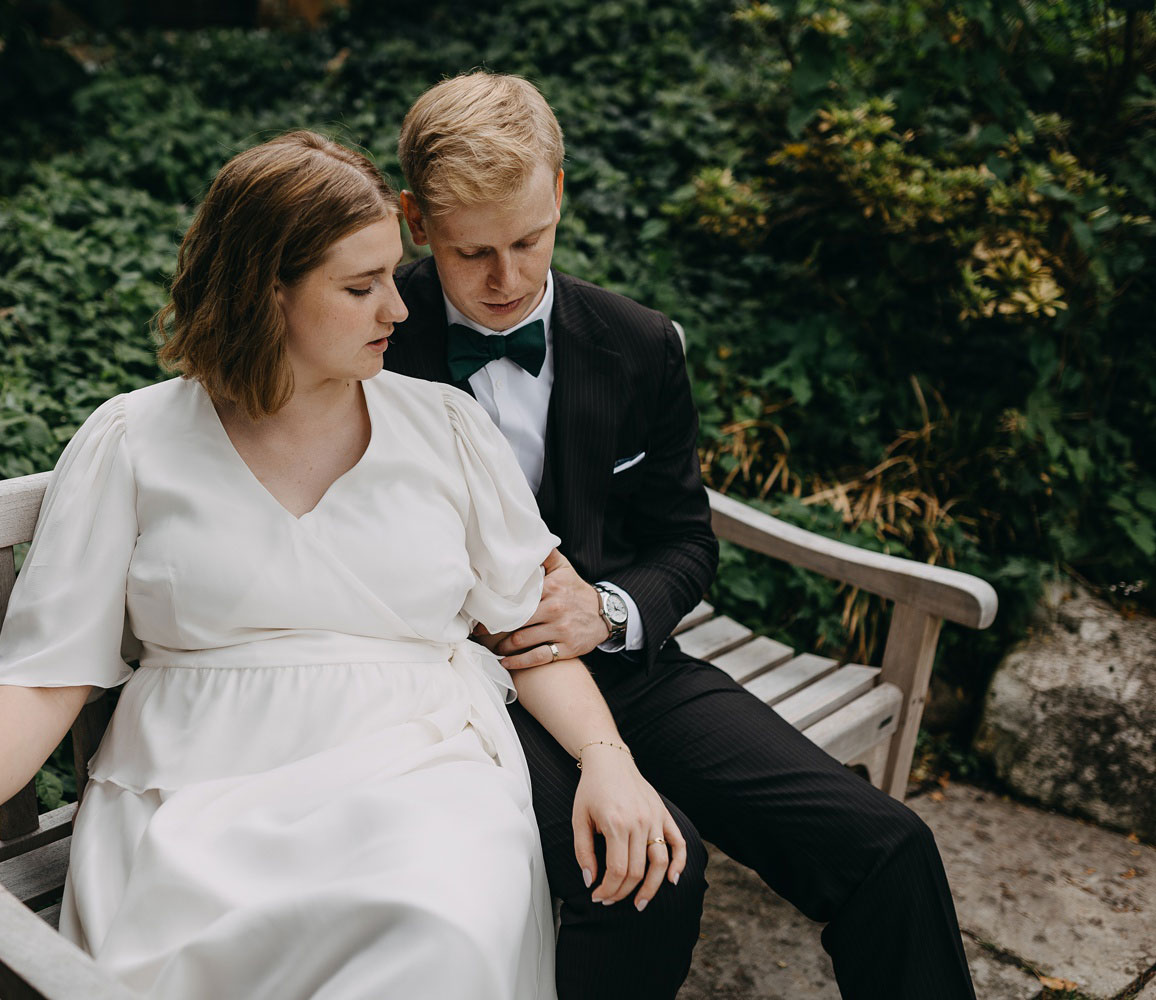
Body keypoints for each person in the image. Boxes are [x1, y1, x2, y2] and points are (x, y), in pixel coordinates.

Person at [0, 130, 687, 1000]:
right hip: (190, 796)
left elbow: (529, 627)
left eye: (388, 279)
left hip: (422, 777)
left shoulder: (443, 429)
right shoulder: (135, 441)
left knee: (436, 931)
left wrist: (606, 758)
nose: (398, 313)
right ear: (266, 294)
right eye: (361, 288)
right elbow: (43, 677)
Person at [385, 71, 978, 1000]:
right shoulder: (370, 337)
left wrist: (608, 611)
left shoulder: (638, 343)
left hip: (629, 668)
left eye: (530, 241)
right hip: (464, 695)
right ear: (418, 223)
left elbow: (685, 542)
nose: (506, 280)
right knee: (649, 869)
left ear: (561, 195)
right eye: (472, 253)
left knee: (887, 846)